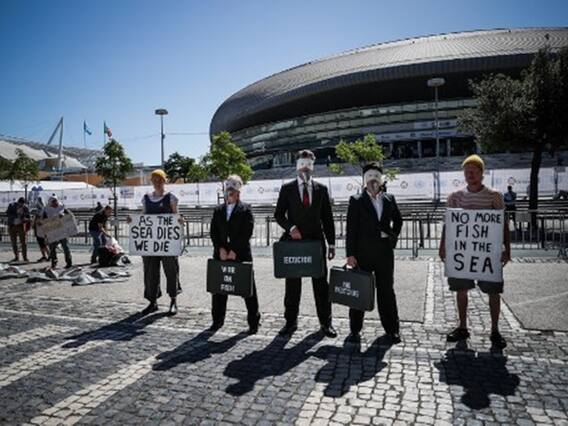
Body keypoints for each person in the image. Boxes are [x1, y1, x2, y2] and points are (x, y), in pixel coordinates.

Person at [439, 154, 511, 349]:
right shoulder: (455, 197)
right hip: (463, 254)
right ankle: (462, 326)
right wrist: (442, 245)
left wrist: (507, 249)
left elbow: (502, 223)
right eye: (466, 170)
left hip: (488, 253)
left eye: (474, 170)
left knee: (493, 292)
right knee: (461, 291)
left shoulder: (494, 195)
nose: (469, 174)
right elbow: (449, 224)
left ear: (482, 172)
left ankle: (495, 330)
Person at [274, 149, 337, 338]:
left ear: (313, 167)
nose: (305, 169)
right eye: (302, 164)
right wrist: (290, 227)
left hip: (316, 245)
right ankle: (290, 322)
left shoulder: (321, 190)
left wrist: (332, 244)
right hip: (295, 244)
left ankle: (326, 323)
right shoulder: (287, 189)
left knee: (321, 286)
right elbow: (278, 215)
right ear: (297, 166)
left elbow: (328, 218)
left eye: (309, 165)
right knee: (292, 286)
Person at [346, 163, 403, 344]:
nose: (373, 181)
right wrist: (351, 254)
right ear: (365, 180)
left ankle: (392, 329)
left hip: (384, 254)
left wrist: (392, 237)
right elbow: (351, 229)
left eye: (376, 178)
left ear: (380, 180)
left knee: (386, 292)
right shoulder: (356, 200)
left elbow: (399, 221)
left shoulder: (389, 199)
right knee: (359, 291)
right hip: (363, 254)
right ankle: (355, 329)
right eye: (369, 178)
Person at [209, 175, 261, 334]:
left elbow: (247, 232)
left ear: (238, 192)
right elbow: (214, 232)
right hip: (221, 255)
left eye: (232, 189)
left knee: (248, 290)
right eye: (227, 189)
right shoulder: (218, 210)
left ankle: (254, 321)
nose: (229, 192)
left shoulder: (245, 209)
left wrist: (234, 251)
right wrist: (220, 249)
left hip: (240, 255)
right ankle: (217, 320)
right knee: (219, 290)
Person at [133, 169, 183, 316]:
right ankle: (152, 302)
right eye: (154, 179)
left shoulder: (171, 198)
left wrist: (180, 221)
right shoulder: (146, 198)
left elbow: (176, 216)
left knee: (171, 271)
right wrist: (133, 221)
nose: (157, 182)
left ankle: (173, 301)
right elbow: (143, 217)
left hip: (167, 243)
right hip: (151, 244)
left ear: (164, 181)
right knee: (150, 272)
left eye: (159, 179)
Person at [43, 195, 73, 269]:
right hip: (52, 232)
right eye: (53, 202)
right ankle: (54, 262)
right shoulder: (46, 210)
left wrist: (64, 215)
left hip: (62, 231)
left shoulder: (62, 207)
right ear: (50, 203)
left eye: (55, 201)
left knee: (65, 247)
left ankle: (69, 262)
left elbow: (70, 215)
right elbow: (44, 221)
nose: (55, 203)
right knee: (52, 248)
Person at [6, 197, 30, 263]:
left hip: (21, 226)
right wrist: (16, 215)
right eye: (20, 204)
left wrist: (24, 216)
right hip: (12, 226)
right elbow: (7, 213)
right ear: (18, 202)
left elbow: (28, 216)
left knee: (24, 243)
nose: (21, 205)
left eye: (23, 204)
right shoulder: (12, 205)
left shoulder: (25, 208)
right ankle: (16, 257)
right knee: (14, 242)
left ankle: (25, 258)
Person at [33, 197, 50, 262]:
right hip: (37, 229)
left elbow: (47, 221)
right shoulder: (37, 211)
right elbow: (35, 219)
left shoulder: (45, 211)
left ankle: (49, 256)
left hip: (43, 230)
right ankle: (44, 256)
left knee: (44, 244)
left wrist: (42, 223)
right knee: (40, 244)